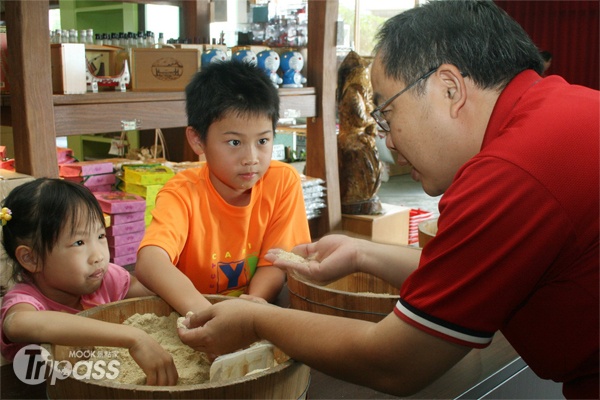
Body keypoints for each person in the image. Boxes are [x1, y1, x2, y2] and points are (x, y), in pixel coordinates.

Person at [176, 2, 599, 399]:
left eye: (386, 112)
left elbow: (395, 361)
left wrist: (255, 318)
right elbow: (469, 266)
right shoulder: (558, 112)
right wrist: (361, 253)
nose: (387, 138)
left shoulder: (509, 173)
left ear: (449, 88)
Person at [135, 60, 311, 316]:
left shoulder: (282, 181)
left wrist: (249, 307)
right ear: (197, 140)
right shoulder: (183, 193)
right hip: (190, 311)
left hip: (251, 308)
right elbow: (150, 262)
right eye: (234, 142)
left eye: (263, 140)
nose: (251, 157)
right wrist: (205, 314)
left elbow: (275, 263)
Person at [0, 178, 178, 386]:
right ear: (31, 259)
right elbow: (18, 324)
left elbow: (158, 295)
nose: (98, 256)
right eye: (79, 242)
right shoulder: (25, 301)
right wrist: (132, 337)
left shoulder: (106, 278)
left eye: (101, 235)